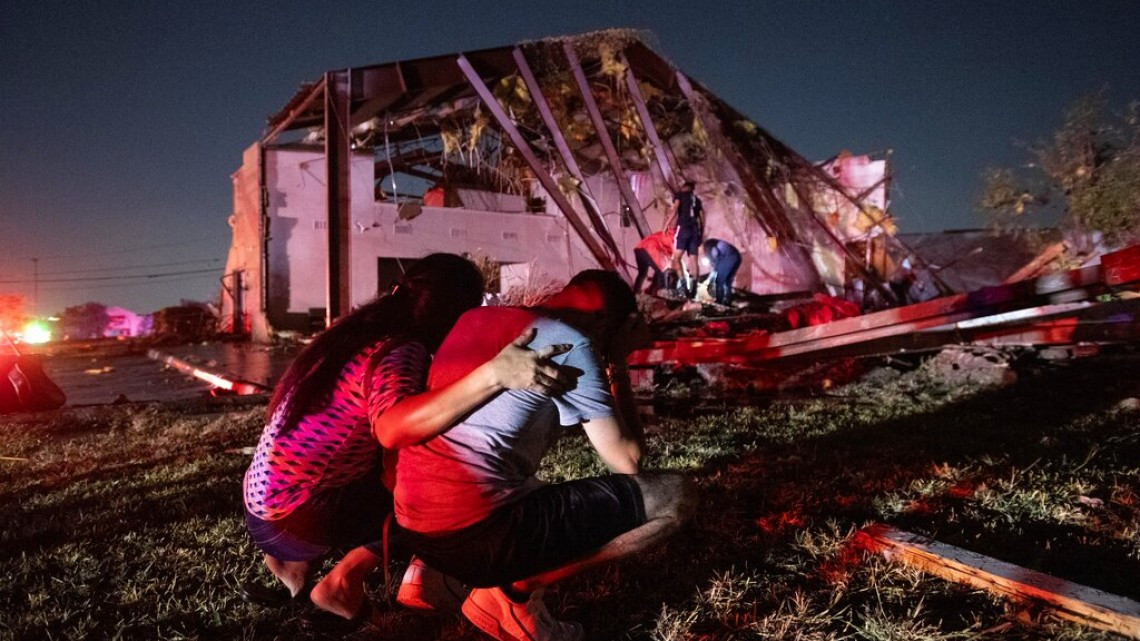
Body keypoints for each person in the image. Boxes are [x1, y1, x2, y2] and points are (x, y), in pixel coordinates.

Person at [241, 253, 573, 628]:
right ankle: (342, 584)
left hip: (262, 508)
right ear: (454, 312)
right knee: (433, 495)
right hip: (296, 517)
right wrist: (494, 375)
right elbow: (392, 426)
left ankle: (292, 570)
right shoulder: (400, 350)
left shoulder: (353, 334)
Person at [394, 270, 697, 641]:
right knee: (675, 495)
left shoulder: (475, 318)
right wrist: (617, 360)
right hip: (477, 537)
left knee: (518, 478)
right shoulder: (572, 343)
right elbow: (627, 461)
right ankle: (509, 591)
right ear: (603, 321)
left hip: (414, 526)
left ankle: (425, 575)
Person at [665, 180, 704, 298]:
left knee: (676, 258)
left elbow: (676, 208)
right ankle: (694, 289)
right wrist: (701, 232)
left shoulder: (680, 195)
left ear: (685, 187)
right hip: (694, 230)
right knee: (694, 261)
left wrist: (666, 225)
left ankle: (684, 287)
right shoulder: (696, 200)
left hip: (684, 228)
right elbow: (702, 216)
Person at [632, 227, 676, 294]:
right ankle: (664, 297)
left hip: (639, 249)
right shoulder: (676, 239)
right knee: (663, 273)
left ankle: (635, 293)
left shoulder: (668, 232)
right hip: (650, 249)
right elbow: (672, 259)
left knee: (642, 273)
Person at [700, 238, 742, 306]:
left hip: (728, 257)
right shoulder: (710, 245)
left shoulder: (707, 245)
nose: (699, 253)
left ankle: (719, 302)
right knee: (727, 281)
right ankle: (727, 301)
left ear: (700, 246)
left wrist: (715, 270)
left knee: (718, 281)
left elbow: (716, 255)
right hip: (737, 256)